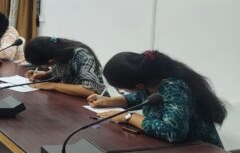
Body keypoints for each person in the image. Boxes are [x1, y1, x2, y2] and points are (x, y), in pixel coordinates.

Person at [88, 50, 226, 147]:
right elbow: (139, 97)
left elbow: (173, 132)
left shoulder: (175, 86)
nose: (122, 92)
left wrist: (128, 117)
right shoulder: (150, 79)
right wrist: (107, 101)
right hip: (174, 151)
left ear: (138, 85)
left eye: (121, 89)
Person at [24, 36, 106, 97]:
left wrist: (51, 85)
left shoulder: (82, 55)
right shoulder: (56, 50)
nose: (43, 67)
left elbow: (90, 90)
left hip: (95, 103)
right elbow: (67, 71)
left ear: (50, 60)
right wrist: (45, 74)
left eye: (40, 65)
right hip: (70, 99)